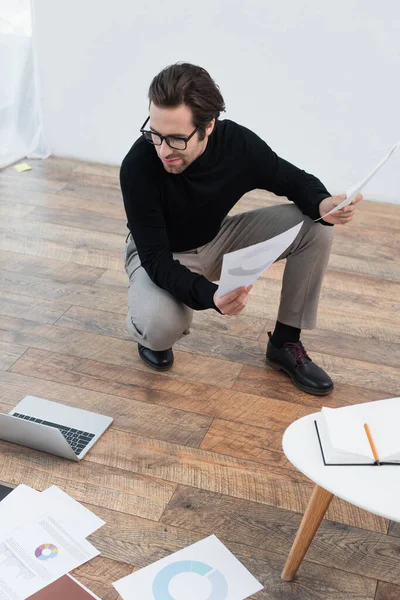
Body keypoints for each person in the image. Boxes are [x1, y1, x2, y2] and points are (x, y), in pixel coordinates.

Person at [120, 62, 362, 396]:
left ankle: (285, 343)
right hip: (160, 253)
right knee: (160, 327)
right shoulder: (138, 166)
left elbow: (291, 178)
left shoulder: (236, 145)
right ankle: (145, 320)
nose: (163, 150)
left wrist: (322, 203)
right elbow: (158, 260)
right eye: (156, 134)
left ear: (208, 126)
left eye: (176, 139)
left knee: (316, 225)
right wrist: (211, 296)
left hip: (217, 240)